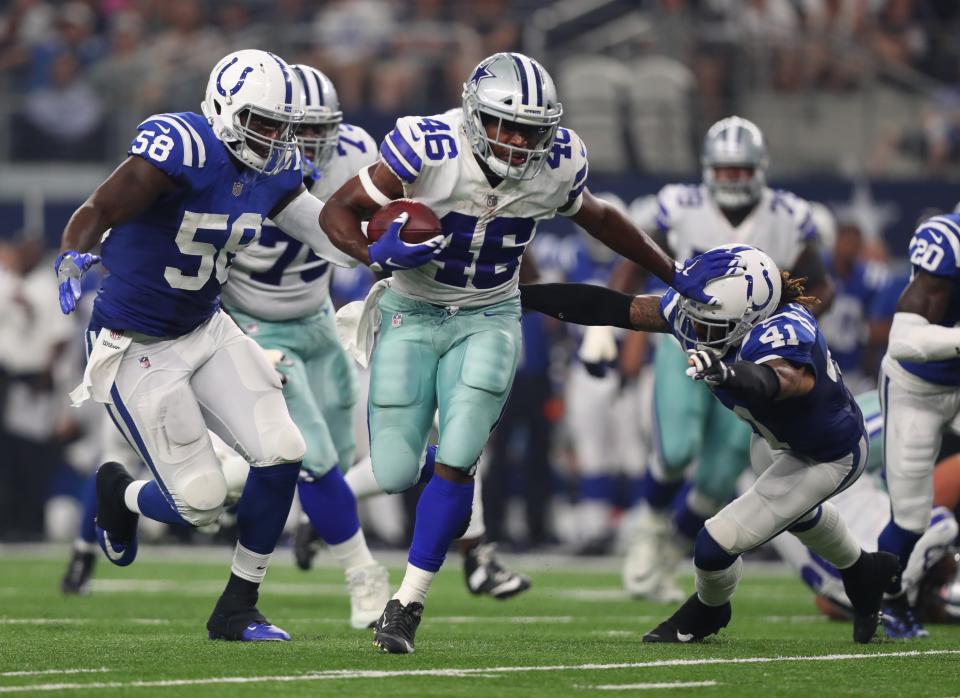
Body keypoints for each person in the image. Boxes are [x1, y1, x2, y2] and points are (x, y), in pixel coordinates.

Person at [318, 51, 742, 653]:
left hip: (491, 313)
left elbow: (600, 220)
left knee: (460, 456)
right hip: (410, 311)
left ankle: (406, 602)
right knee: (393, 472)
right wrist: (376, 255)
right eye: (505, 125)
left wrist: (673, 273)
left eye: (532, 130)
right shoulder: (428, 147)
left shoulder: (558, 162)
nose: (519, 142)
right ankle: (434, 492)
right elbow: (339, 211)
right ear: (472, 114)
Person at [53, 49, 441, 641]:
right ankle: (121, 495)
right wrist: (72, 255)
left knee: (285, 450)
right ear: (226, 109)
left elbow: (320, 226)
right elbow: (98, 207)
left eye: (282, 125)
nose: (275, 137)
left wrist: (375, 253)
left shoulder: (274, 167)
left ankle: (238, 607)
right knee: (202, 504)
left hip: (207, 327)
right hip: (136, 343)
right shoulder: (180, 147)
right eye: (262, 122)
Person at [521, 244, 899, 644]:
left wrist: (730, 373)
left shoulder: (786, 329)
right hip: (773, 440)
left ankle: (709, 609)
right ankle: (864, 573)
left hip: (827, 454)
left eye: (709, 325)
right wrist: (526, 295)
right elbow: (614, 308)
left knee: (715, 544)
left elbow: (781, 380)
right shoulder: (701, 314)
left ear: (749, 317)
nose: (696, 330)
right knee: (802, 518)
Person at [612, 116, 834, 602]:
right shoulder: (679, 205)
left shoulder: (789, 215)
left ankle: (671, 547)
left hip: (751, 358)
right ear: (709, 170)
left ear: (759, 170)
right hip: (684, 345)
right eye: (725, 170)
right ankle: (648, 532)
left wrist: (790, 322)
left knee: (718, 474)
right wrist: (610, 331)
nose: (732, 179)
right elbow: (632, 264)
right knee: (675, 451)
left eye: (741, 171)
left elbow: (821, 285)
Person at [220, 63, 389, 630]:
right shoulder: (245, 158)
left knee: (339, 459)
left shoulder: (358, 153)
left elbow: (385, 227)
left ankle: (238, 482)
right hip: (258, 326)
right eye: (301, 129)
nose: (312, 142)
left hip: (316, 316)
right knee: (313, 457)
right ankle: (364, 576)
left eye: (324, 129)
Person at [770, 390, 959, 638]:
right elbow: (825, 605)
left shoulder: (938, 534)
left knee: (916, 407)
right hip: (775, 509)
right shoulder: (854, 599)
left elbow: (932, 514)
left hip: (813, 464)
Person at [877, 211, 960, 637]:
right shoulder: (946, 239)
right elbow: (905, 340)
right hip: (918, 389)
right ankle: (890, 601)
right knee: (909, 517)